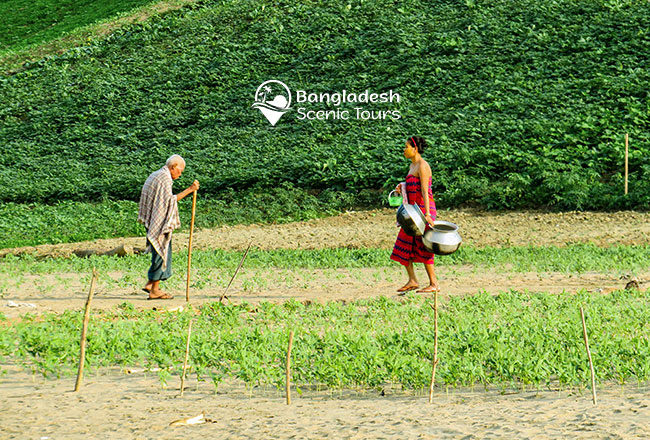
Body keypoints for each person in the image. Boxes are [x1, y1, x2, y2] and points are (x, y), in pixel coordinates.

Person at [138, 155, 199, 299]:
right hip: (158, 221)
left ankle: (150, 282)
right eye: (180, 170)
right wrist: (190, 189)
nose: (180, 173)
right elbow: (169, 201)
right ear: (173, 167)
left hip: (152, 218)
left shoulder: (157, 174)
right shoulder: (164, 178)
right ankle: (155, 290)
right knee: (162, 251)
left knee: (159, 250)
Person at [390, 136, 440, 293]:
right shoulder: (412, 166)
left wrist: (427, 215)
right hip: (413, 212)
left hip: (424, 211)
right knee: (403, 244)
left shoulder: (423, 166)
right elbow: (414, 185)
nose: (404, 150)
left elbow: (425, 191)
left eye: (406, 147)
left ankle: (434, 283)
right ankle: (412, 280)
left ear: (415, 148)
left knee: (424, 245)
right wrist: (402, 187)